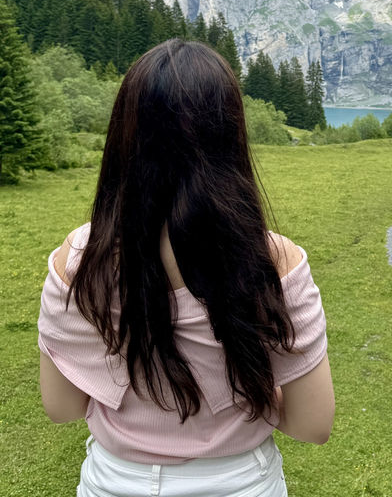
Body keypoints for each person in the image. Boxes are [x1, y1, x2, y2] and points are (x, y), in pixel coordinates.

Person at [37, 39, 334, 497]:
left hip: (115, 483)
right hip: (242, 483)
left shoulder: (77, 261)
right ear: (231, 135)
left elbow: (61, 407)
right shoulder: (276, 262)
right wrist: (248, 396)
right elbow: (313, 424)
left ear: (123, 137)